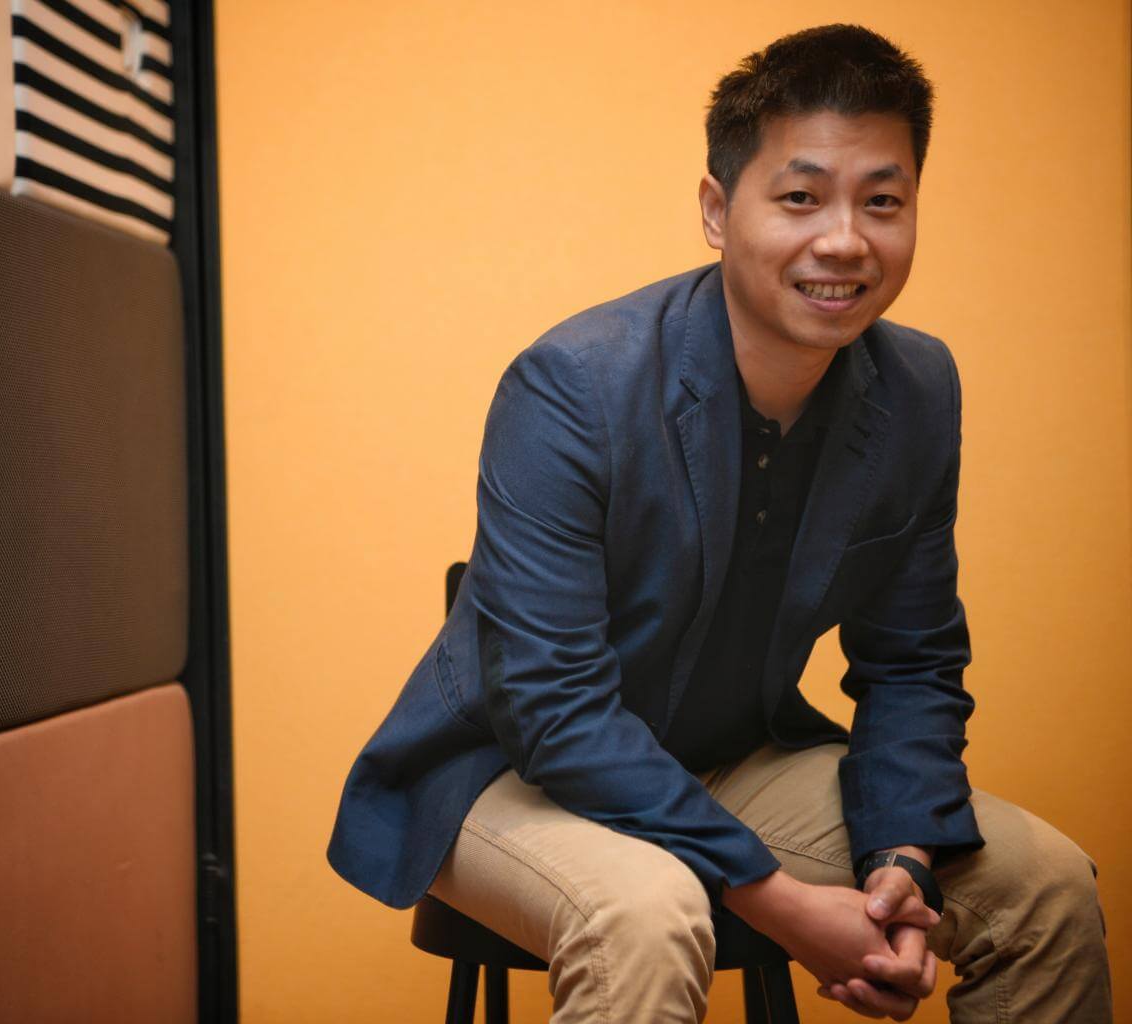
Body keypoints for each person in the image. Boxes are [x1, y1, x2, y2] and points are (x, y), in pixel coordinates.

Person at [325, 23, 1112, 1023]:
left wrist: (902, 858)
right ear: (715, 208)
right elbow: (552, 707)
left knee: (1045, 885)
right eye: (800, 197)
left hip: (730, 758)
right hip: (503, 773)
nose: (845, 239)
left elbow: (913, 663)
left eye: (883, 201)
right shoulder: (572, 384)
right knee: (648, 913)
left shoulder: (918, 387)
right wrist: (778, 900)